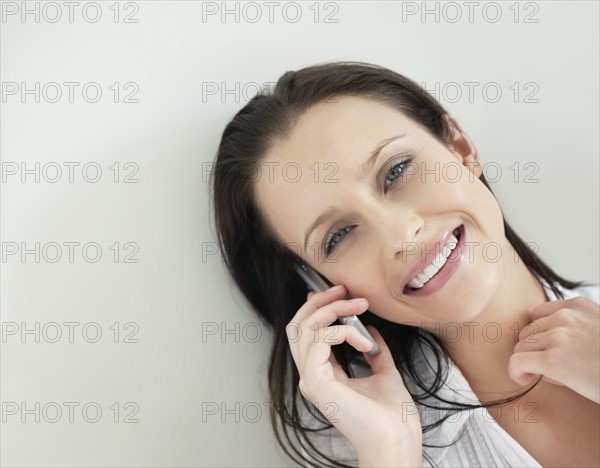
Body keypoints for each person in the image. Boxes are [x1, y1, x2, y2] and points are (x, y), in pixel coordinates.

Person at [210, 61, 599, 467]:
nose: (400, 236)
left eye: (396, 171)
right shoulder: (363, 440)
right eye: (339, 235)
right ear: (318, 282)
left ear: (461, 150)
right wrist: (390, 451)